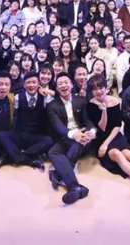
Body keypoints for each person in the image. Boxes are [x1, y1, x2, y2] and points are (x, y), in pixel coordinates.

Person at [45, 72, 97, 205]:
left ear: (72, 85)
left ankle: (57, 174)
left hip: (82, 139)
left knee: (80, 140)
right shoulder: (51, 106)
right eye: (60, 84)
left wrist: (92, 131)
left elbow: (87, 120)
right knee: (52, 151)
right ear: (57, 88)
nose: (63, 85)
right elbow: (58, 126)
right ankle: (74, 186)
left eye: (66, 82)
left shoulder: (81, 101)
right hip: (66, 137)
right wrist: (74, 134)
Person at [0, 72, 53, 169]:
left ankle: (14, 156)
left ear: (38, 84)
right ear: (24, 85)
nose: (31, 85)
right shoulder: (17, 97)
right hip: (19, 135)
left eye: (34, 82)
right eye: (28, 83)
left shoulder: (45, 98)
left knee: (49, 140)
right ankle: (29, 159)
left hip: (35, 137)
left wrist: (46, 91)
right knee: (1, 135)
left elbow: (57, 100)